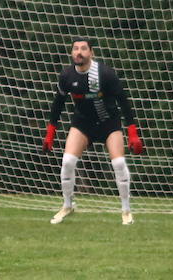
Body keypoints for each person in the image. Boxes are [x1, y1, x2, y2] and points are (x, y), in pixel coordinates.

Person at [43, 38, 145, 225]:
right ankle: (67, 205)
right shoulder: (66, 76)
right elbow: (58, 104)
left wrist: (132, 132)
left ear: (91, 53)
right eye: (75, 49)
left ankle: (126, 210)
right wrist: (51, 132)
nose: (78, 52)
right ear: (71, 52)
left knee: (119, 163)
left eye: (83, 49)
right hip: (83, 124)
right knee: (67, 162)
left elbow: (123, 101)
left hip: (109, 124)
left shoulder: (105, 74)